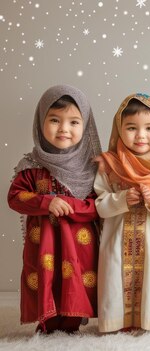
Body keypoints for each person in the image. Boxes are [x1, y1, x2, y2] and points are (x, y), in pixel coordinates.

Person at [7, 85, 101, 334]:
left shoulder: (90, 169)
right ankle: (47, 323)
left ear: (86, 125)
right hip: (44, 245)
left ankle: (71, 322)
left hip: (78, 245)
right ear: (40, 122)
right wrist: (47, 202)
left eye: (73, 122)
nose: (64, 129)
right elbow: (15, 197)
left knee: (74, 281)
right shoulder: (31, 166)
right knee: (46, 279)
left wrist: (70, 205)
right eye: (55, 120)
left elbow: (98, 206)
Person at [95, 93, 150, 332]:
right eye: (131, 128)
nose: (141, 135)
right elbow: (98, 203)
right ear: (119, 129)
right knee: (114, 280)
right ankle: (115, 322)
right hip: (117, 239)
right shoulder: (109, 164)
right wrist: (121, 199)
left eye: (149, 128)